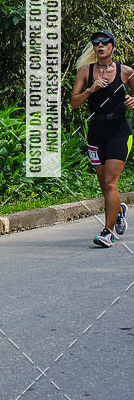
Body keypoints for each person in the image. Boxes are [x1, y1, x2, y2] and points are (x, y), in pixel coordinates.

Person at [70, 29, 134, 246]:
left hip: (119, 131)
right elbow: (74, 103)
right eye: (96, 43)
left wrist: (132, 101)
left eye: (105, 42)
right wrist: (90, 90)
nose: (100, 46)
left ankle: (107, 232)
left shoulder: (126, 72)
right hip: (96, 132)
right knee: (104, 186)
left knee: (110, 181)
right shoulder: (85, 71)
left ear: (112, 47)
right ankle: (119, 211)